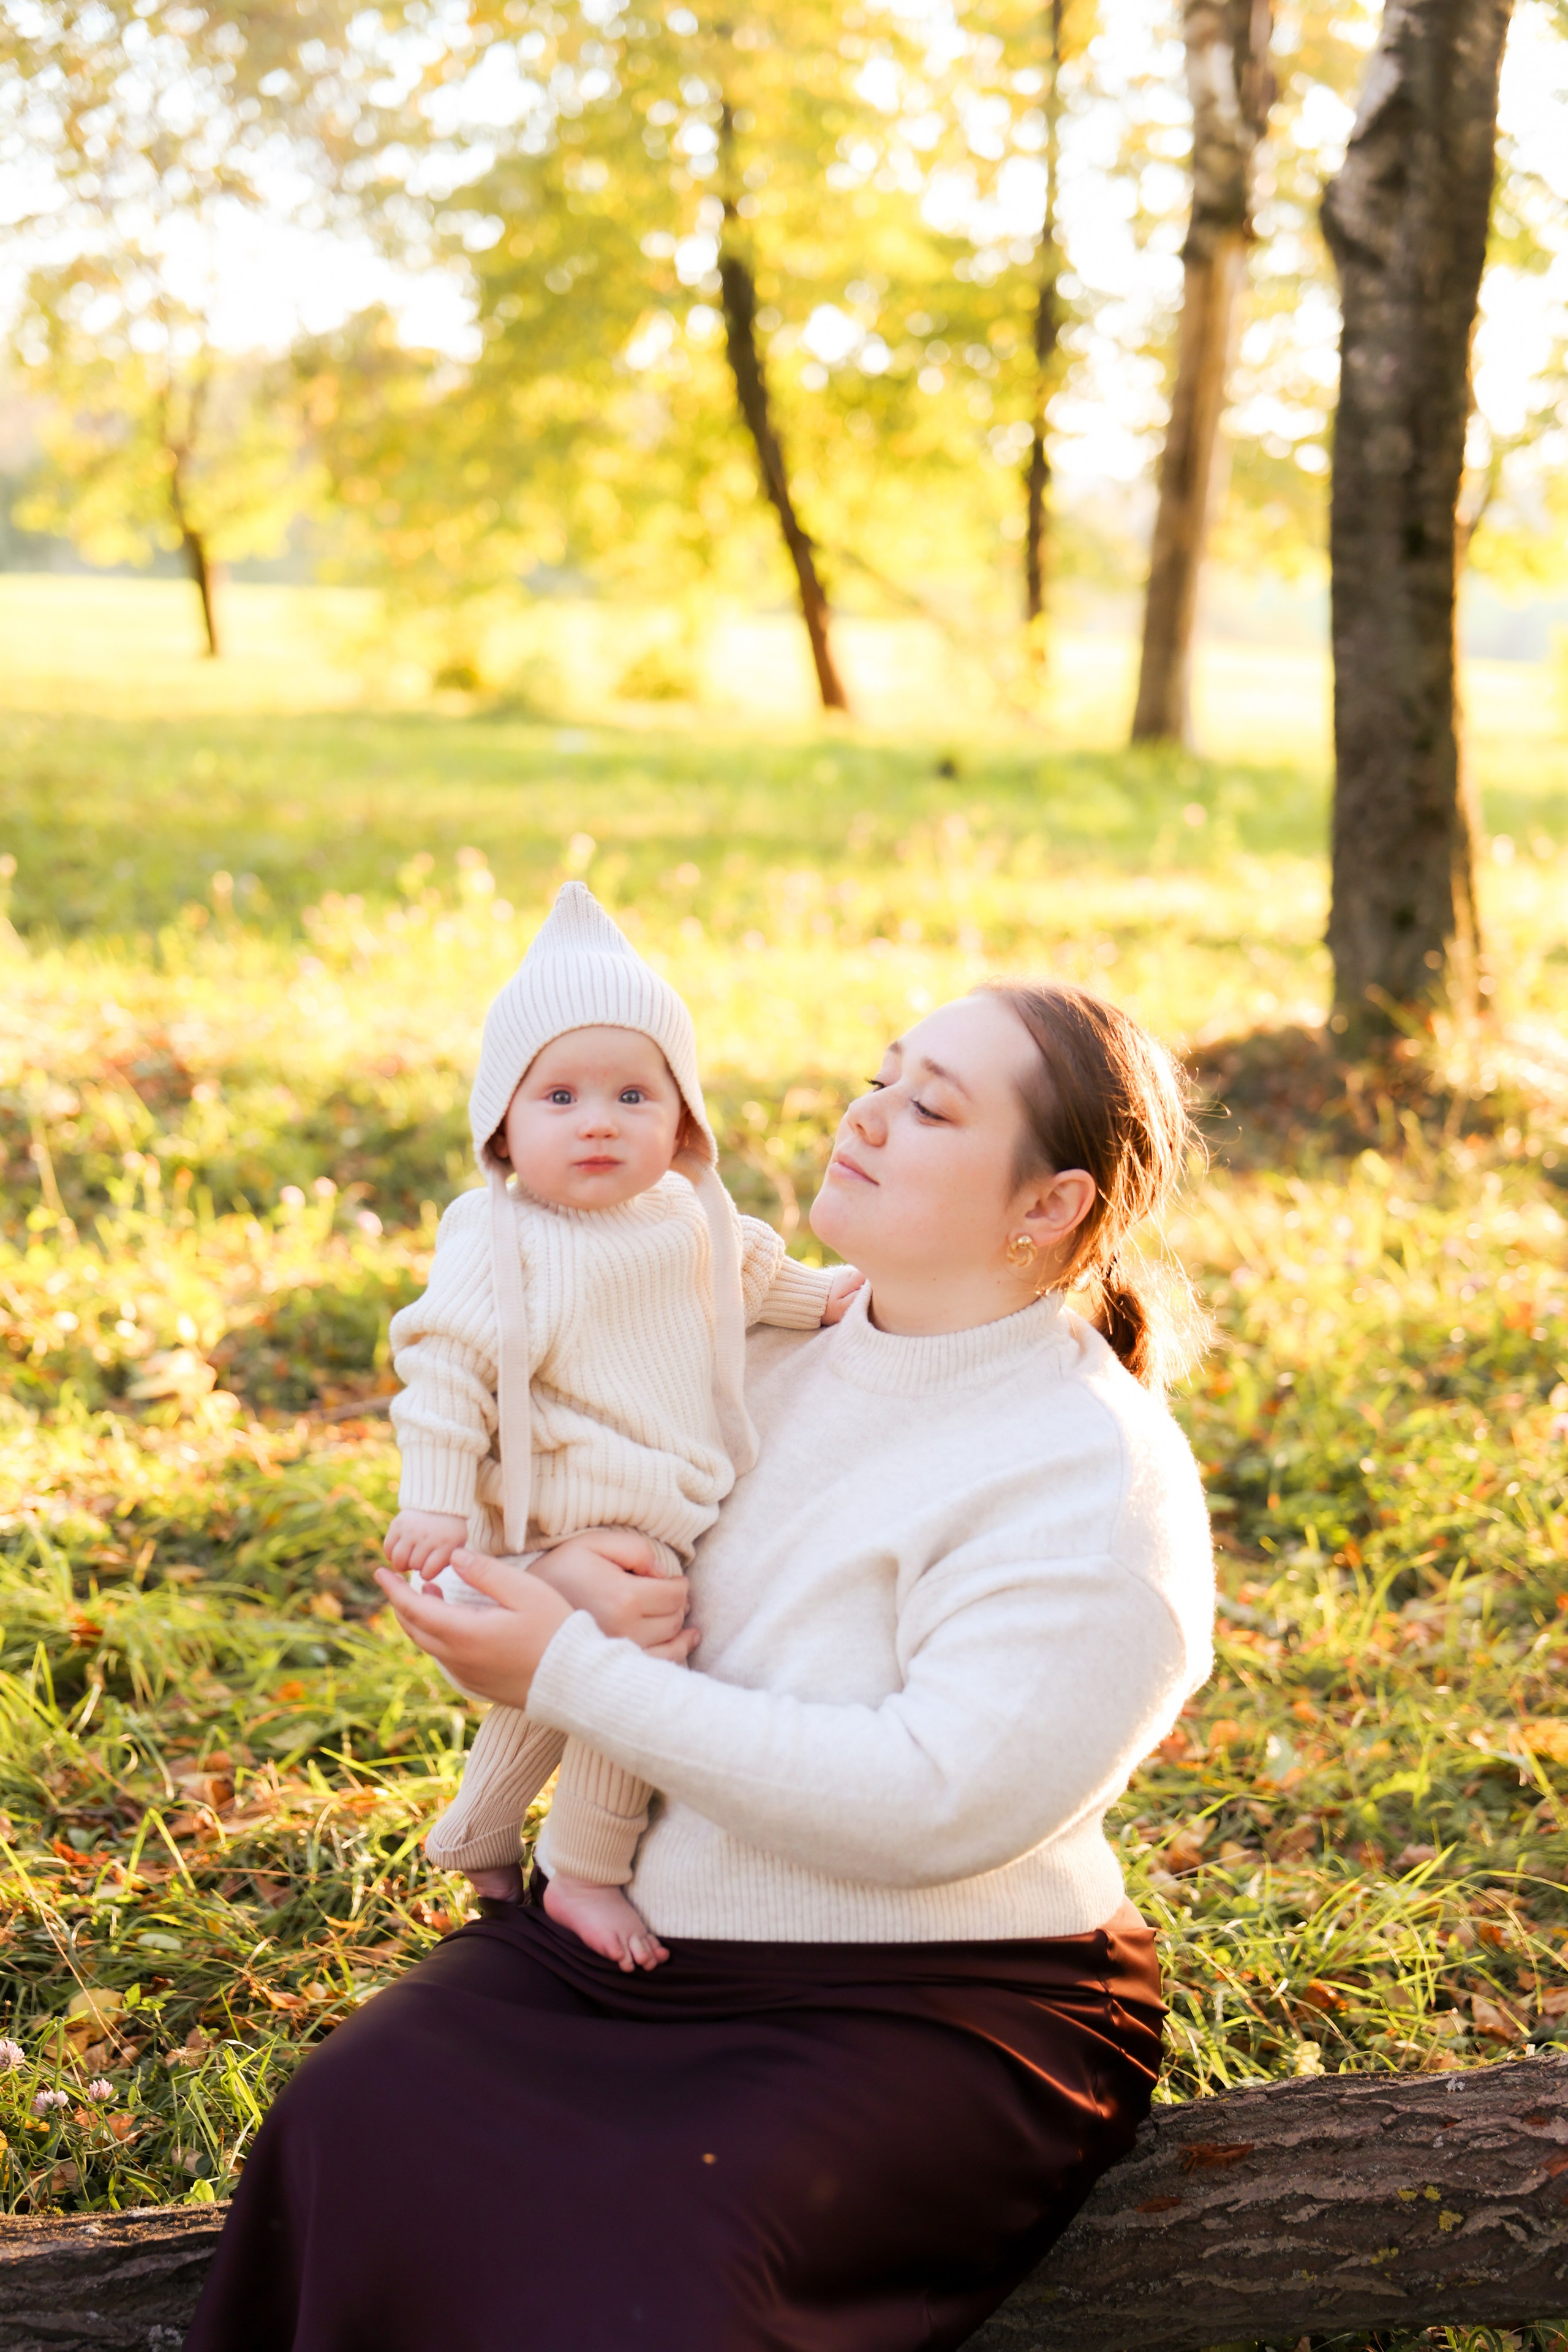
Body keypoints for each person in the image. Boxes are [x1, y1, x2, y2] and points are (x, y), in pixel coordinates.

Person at [186, 978, 1215, 2352]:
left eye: (930, 1108)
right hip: (630, 1943)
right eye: (882, 1077)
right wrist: (555, 1591)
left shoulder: (1090, 1475)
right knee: (349, 2119)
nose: (866, 1117)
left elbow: (933, 1803)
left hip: (934, 1999)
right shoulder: (744, 1340)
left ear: (1050, 1203)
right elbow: (534, 1585)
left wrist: (571, 1667)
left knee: (649, 2275)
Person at [382, 880, 858, 1968]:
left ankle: (476, 1832)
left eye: (634, 1095)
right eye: (559, 1097)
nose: (598, 1119)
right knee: (642, 1676)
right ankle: (586, 1872)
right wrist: (435, 1500)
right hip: (545, 1521)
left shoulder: (691, 1219)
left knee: (570, 1682)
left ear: (683, 1121)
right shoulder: (499, 1236)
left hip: (650, 1512)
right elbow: (446, 1366)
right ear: (503, 1126)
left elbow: (756, 1281)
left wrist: (832, 1298)